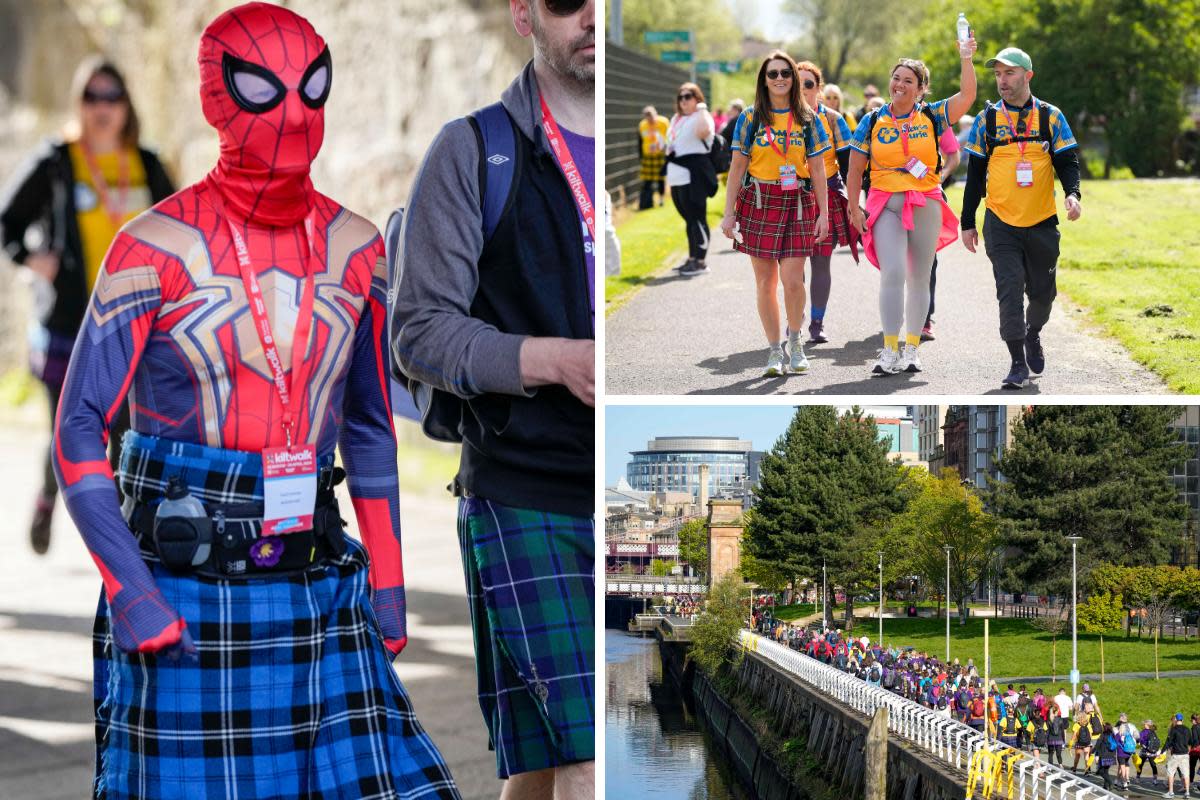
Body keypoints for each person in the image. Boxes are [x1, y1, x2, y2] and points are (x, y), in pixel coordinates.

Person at [51, 5, 459, 797]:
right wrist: (130, 591)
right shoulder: (151, 248)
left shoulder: (358, 248)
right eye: (261, 90)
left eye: (314, 86)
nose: (295, 114)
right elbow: (76, 426)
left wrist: (390, 584)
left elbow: (371, 425)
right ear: (215, 99)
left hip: (316, 575)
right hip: (184, 593)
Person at [391, 0, 596, 796]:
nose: (591, 18)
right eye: (567, 2)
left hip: (627, 495)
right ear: (523, 15)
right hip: (525, 493)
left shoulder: (646, 154)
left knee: (543, 770)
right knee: (593, 761)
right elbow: (420, 330)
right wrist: (555, 361)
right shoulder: (474, 150)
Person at [1, 57, 175, 555]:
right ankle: (47, 497)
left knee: (124, 435)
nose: (102, 108)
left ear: (126, 105)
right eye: (92, 97)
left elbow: (182, 230)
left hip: (136, 325)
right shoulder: (57, 160)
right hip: (69, 326)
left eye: (111, 97)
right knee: (70, 431)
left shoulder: (147, 163)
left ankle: (122, 544)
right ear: (79, 103)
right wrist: (33, 258)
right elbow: (7, 222)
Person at [846, 35, 977, 376]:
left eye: (908, 81)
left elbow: (968, 97)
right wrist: (853, 207)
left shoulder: (933, 116)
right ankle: (889, 349)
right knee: (893, 272)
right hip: (885, 202)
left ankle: (912, 349)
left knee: (920, 278)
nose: (900, 84)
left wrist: (966, 58)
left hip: (925, 201)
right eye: (896, 78)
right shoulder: (872, 120)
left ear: (921, 90)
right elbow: (856, 167)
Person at [961, 47, 1081, 390]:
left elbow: (1067, 162)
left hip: (1042, 222)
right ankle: (1016, 363)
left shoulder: (1050, 117)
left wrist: (1073, 195)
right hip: (1001, 223)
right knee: (1009, 289)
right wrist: (967, 221)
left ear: (1028, 76)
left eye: (1009, 73)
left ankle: (1033, 333)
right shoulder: (986, 120)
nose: (1002, 80)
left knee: (1043, 295)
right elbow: (975, 174)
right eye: (998, 74)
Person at [719, 50, 831, 376]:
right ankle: (773, 351)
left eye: (785, 73)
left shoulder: (808, 119)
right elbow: (737, 166)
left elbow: (818, 169)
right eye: (773, 74)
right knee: (765, 282)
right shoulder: (750, 118)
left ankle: (795, 340)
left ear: (793, 79)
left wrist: (824, 213)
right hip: (758, 200)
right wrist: (729, 214)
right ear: (764, 80)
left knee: (793, 281)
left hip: (797, 199)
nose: (779, 78)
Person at [795, 61, 856, 344]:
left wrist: (853, 203)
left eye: (809, 84)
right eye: (799, 82)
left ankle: (817, 323)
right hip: (790, 196)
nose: (803, 88)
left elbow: (847, 166)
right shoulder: (778, 118)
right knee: (793, 266)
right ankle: (796, 320)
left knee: (820, 263)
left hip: (826, 195)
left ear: (819, 89)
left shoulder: (833, 119)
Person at [665, 81, 716, 276]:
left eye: (688, 96)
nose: (683, 101)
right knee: (689, 220)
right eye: (681, 97)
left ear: (697, 99)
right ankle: (692, 257)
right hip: (677, 176)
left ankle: (701, 262)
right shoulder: (676, 118)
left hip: (694, 176)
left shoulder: (701, 116)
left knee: (697, 218)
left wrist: (702, 109)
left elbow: (703, 133)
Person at [637, 105, 668, 209]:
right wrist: (641, 156)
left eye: (651, 116)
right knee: (647, 181)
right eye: (647, 117)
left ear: (655, 114)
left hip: (659, 155)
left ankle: (661, 199)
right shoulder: (642, 125)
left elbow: (668, 138)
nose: (649, 119)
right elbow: (640, 141)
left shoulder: (663, 123)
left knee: (660, 179)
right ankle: (647, 201)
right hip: (647, 156)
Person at [1166, 713, 1193, 798]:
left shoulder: (1173, 729)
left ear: (1176, 720)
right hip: (1185, 754)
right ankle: (1187, 792)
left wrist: (1162, 751)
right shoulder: (1187, 729)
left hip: (1176, 754)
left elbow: (1169, 742)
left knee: (1170, 772)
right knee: (1186, 774)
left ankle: (1170, 792)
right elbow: (1191, 742)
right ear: (1182, 720)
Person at [1117, 712, 1140, 790]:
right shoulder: (1132, 726)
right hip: (1130, 749)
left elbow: (1116, 737)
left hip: (1122, 749)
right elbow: (1137, 736)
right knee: (1126, 763)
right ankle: (1127, 778)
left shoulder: (1119, 727)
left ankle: (1124, 782)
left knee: (1122, 766)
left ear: (1121, 718)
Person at [1141, 721, 1165, 786]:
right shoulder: (1154, 733)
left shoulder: (1146, 733)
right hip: (1153, 752)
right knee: (1153, 765)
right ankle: (1155, 780)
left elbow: (1142, 741)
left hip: (1146, 751)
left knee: (1141, 763)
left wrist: (1142, 745)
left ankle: (1138, 777)